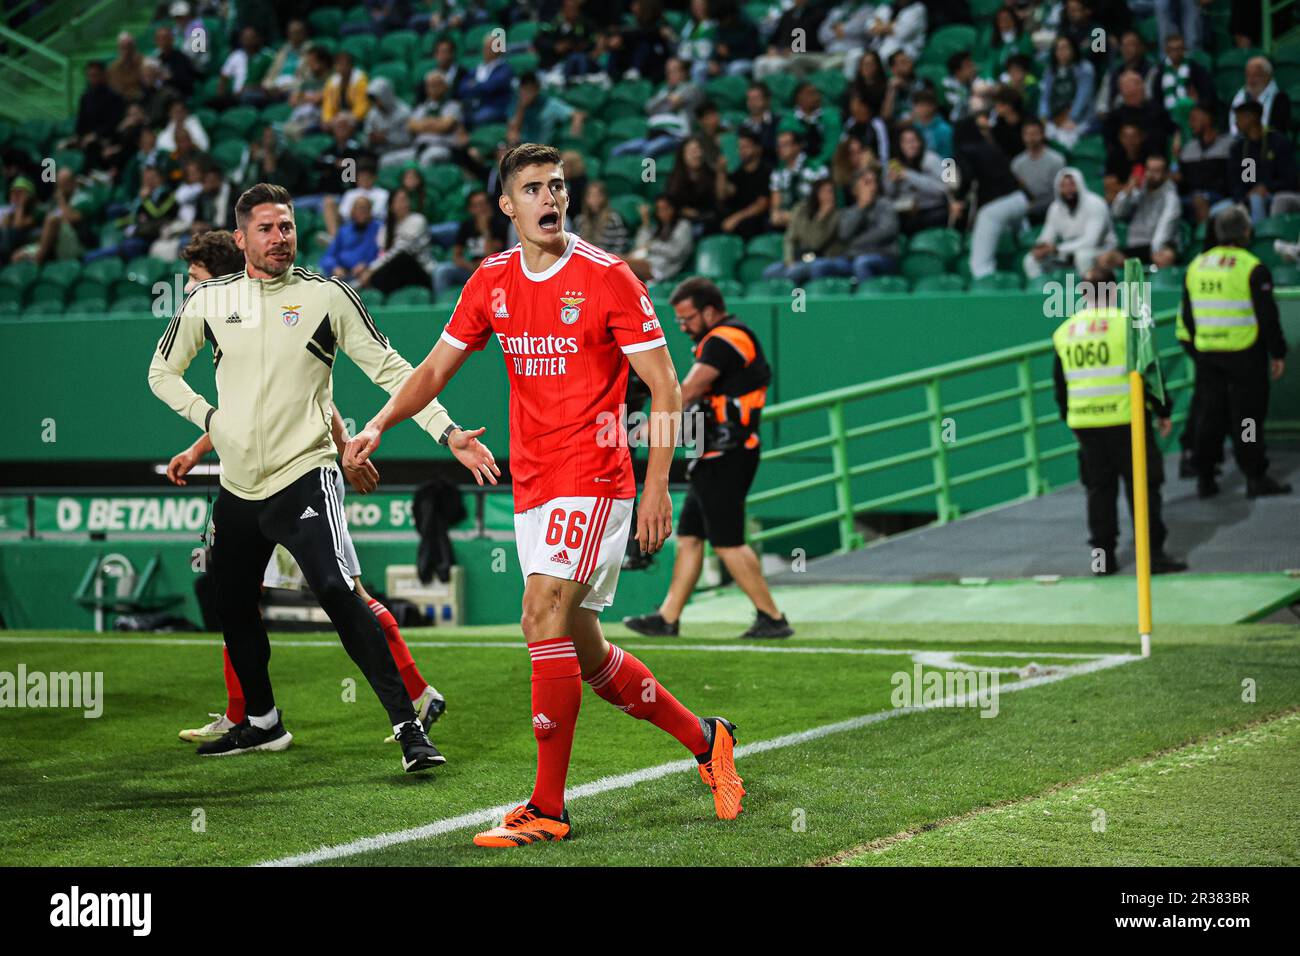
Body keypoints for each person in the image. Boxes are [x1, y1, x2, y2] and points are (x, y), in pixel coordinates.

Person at [345, 142, 746, 846]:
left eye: (557, 186)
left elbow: (665, 387)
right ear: (507, 205)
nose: (550, 198)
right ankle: (706, 739)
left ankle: (548, 807)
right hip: (532, 483)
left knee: (539, 614)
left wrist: (660, 489)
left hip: (595, 478)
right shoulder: (490, 279)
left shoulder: (608, 277)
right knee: (583, 650)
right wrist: (379, 423)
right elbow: (436, 369)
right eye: (533, 188)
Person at [147, 183, 498, 773]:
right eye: (265, 228)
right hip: (237, 485)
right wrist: (209, 419)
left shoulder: (325, 296)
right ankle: (261, 722)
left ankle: (409, 729)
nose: (279, 237)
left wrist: (447, 431)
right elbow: (162, 372)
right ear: (242, 238)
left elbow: (392, 368)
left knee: (337, 591)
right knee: (228, 600)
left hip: (304, 474)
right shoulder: (208, 302)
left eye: (286, 226)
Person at [166, 230, 446, 744]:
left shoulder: (276, 310)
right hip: (255, 479)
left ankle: (415, 696)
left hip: (302, 477)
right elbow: (246, 416)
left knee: (342, 591)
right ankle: (248, 715)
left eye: (198, 281)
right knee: (246, 597)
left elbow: (315, 400)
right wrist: (198, 448)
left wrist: (344, 450)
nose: (191, 293)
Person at [623, 277, 792, 639]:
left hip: (727, 455)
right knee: (690, 536)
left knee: (728, 540)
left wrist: (653, 423)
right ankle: (668, 617)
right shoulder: (720, 339)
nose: (683, 327)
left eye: (688, 319)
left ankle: (772, 617)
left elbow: (689, 389)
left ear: (710, 311)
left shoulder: (724, 339)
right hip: (713, 452)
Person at [1051, 287, 1187, 576]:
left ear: (1084, 295)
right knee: (1144, 488)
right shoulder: (1128, 324)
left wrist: (1071, 420)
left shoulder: (1066, 331)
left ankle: (1102, 561)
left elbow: (1061, 386)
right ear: (1113, 292)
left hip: (1087, 426)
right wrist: (1163, 410)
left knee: (1099, 491)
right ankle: (1153, 557)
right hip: (1129, 421)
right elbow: (1149, 371)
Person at [1182, 206, 1292, 499]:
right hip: (1245, 356)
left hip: (1208, 355)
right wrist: (1277, 352)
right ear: (1246, 232)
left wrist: (1201, 345)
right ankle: (1254, 476)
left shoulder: (1197, 265)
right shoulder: (1252, 266)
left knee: (1210, 416)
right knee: (1247, 420)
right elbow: (1267, 315)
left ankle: (1205, 477)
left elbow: (1188, 316)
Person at [1024, 166, 1116, 278]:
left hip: (1101, 250)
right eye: (1063, 186)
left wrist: (1057, 248)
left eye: (1072, 184)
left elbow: (1091, 241)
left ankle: (1088, 293)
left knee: (1082, 256)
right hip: (1068, 252)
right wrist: (1040, 248)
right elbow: (1047, 236)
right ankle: (1041, 293)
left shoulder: (1096, 204)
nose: (1068, 190)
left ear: (1080, 185)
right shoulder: (1055, 208)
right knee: (1030, 260)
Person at [1096, 153, 1180, 271]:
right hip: (1136, 246)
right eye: (1149, 170)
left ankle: (1155, 288)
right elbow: (1117, 212)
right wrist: (1128, 190)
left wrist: (1154, 253)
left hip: (1158, 246)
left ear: (1166, 174)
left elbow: (1165, 229)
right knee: (1105, 259)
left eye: (1156, 171)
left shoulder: (1171, 197)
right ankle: (1112, 289)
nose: (1151, 175)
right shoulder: (1139, 189)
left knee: (1164, 257)